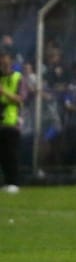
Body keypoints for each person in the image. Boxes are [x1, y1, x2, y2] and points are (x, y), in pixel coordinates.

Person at [0, 51, 21, 193]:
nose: (4, 65)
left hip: (12, 120)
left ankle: (13, 182)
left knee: (10, 154)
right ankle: (5, 182)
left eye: (6, 63)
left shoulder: (18, 78)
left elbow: (20, 99)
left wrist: (4, 92)